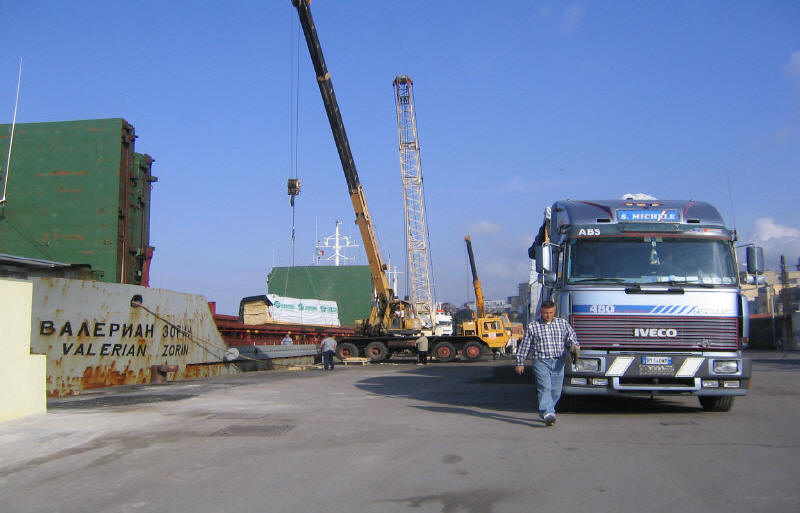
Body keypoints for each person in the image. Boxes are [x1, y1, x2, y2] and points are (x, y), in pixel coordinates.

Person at [515, 300, 580, 427]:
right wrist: (520, 362)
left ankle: (548, 411)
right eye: (545, 313)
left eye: (550, 313)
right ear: (541, 312)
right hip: (541, 361)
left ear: (554, 311)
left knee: (556, 390)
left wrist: (573, 346)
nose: (548, 315)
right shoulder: (533, 326)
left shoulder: (562, 324)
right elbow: (525, 346)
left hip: (558, 361)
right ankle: (547, 413)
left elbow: (571, 337)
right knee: (545, 387)